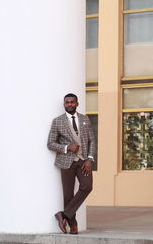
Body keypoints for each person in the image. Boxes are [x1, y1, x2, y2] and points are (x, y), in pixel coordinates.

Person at [47, 93, 96, 234]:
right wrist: (67, 147)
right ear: (64, 104)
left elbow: (92, 140)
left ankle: (63, 214)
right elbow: (50, 143)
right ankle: (73, 225)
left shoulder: (85, 119)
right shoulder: (57, 121)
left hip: (83, 161)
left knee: (87, 186)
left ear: (77, 103)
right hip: (66, 162)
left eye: (72, 102)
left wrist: (89, 159)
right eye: (67, 102)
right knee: (68, 194)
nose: (69, 104)